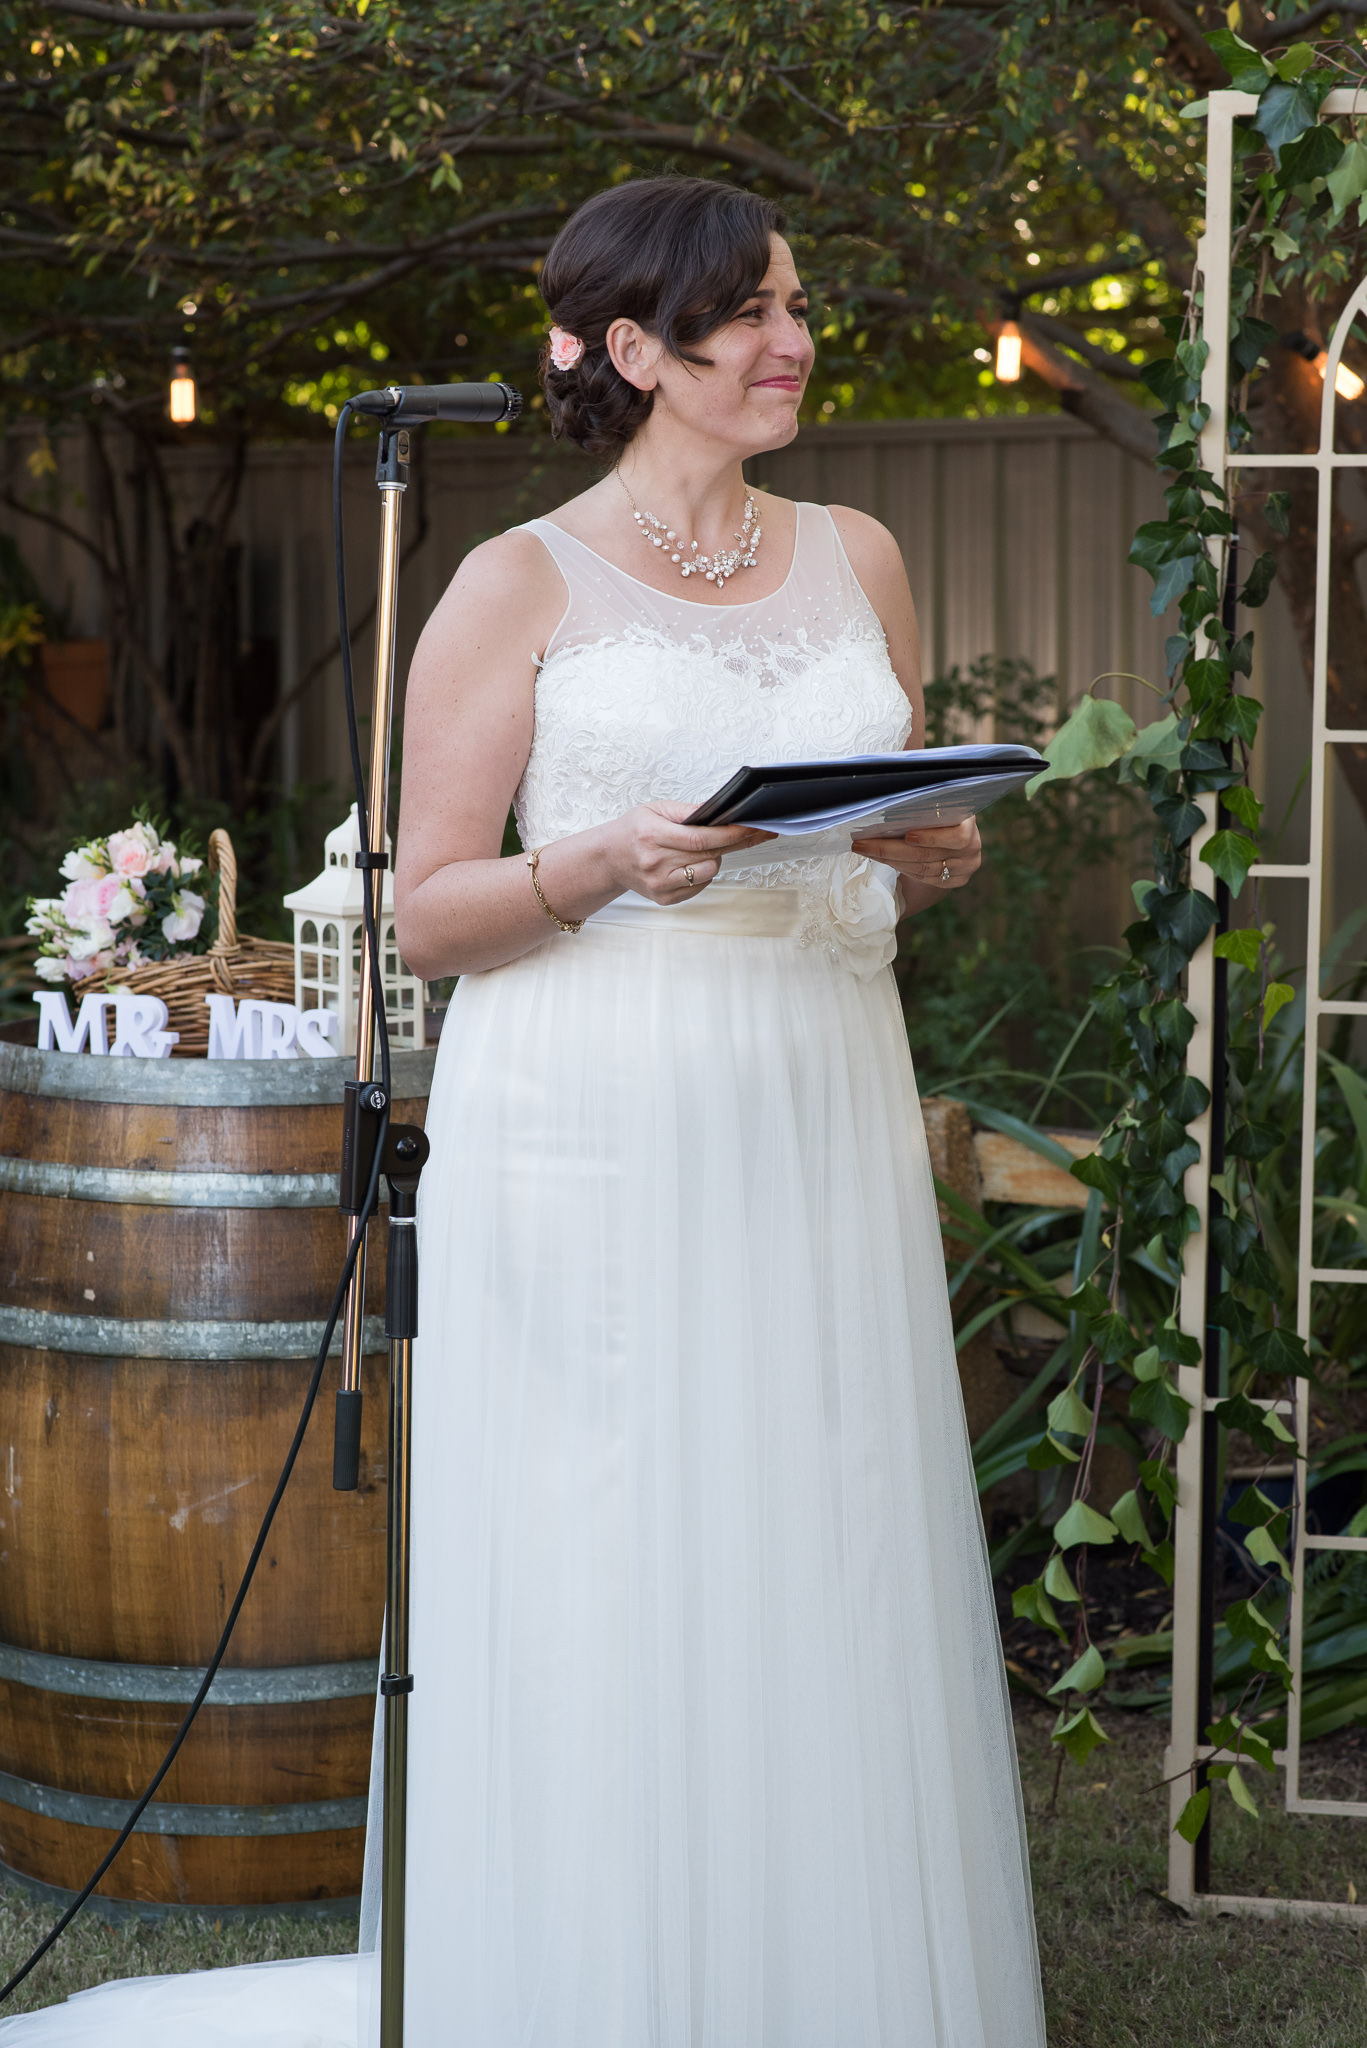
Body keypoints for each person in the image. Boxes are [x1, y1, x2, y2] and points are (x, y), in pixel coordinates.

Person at [0, 176, 1044, 2048]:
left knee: (824, 1535)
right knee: (618, 1544)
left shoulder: (862, 552)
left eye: (798, 302)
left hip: (817, 1092)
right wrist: (599, 864)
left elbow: (881, 840)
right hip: (597, 1118)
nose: (794, 340)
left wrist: (931, 849)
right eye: (750, 314)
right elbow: (426, 906)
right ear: (637, 349)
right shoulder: (517, 581)